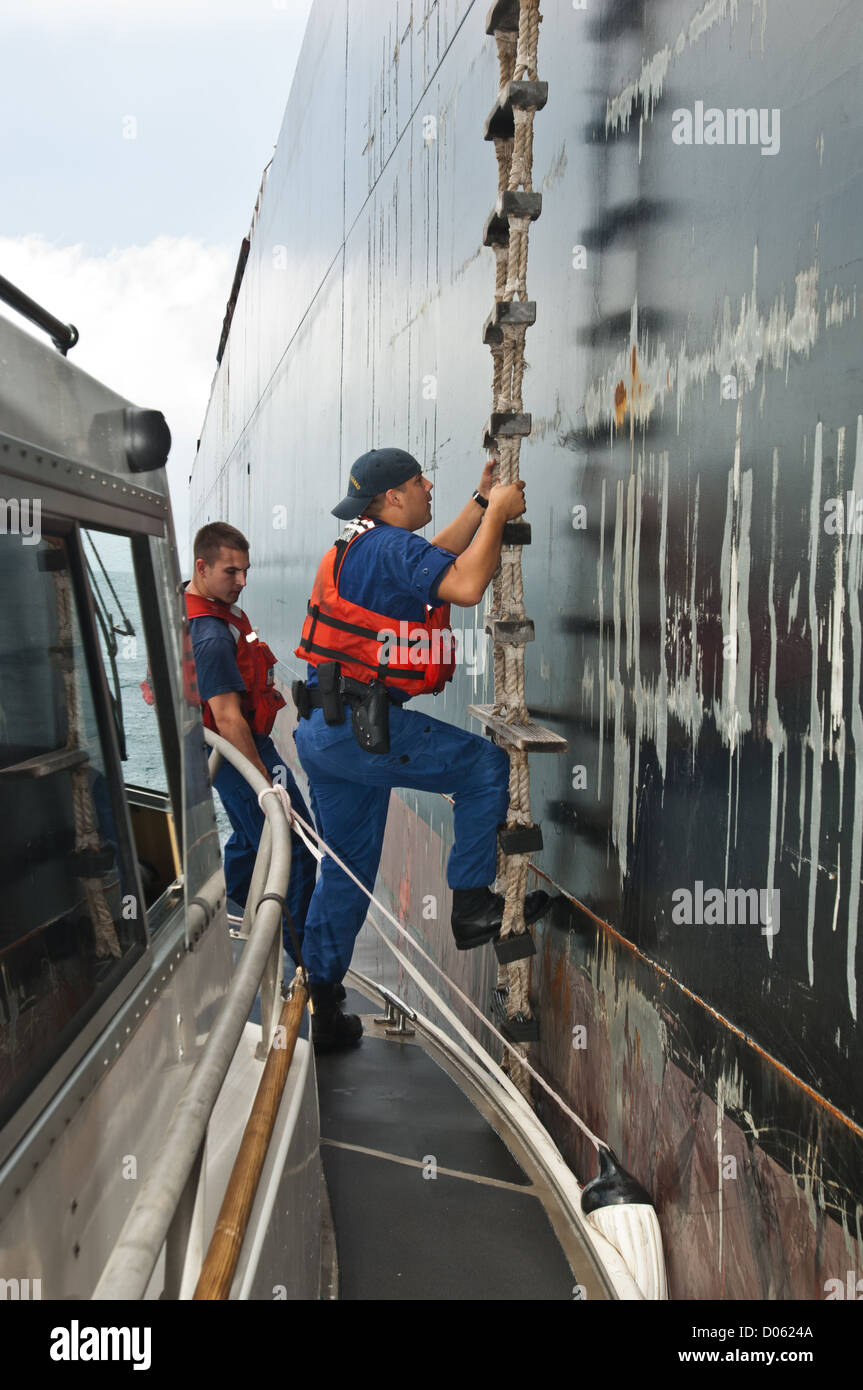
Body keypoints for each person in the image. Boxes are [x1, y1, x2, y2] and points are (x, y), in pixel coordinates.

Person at [292, 447, 551, 1051]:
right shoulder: (388, 546)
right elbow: (461, 582)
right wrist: (501, 513)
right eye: (418, 480)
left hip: (324, 733)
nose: (429, 484)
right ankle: (470, 905)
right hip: (361, 731)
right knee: (485, 767)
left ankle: (321, 1003)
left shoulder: (362, 544)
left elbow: (433, 557)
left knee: (347, 872)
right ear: (392, 498)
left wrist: (484, 503)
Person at [185, 522, 317, 975]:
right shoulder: (211, 636)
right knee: (296, 844)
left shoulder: (211, 606)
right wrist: (264, 784)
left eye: (246, 570)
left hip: (226, 749)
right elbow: (226, 718)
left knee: (247, 839)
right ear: (202, 568)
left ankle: (210, 909)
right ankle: (305, 972)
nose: (241, 581)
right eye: (230, 572)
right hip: (235, 750)